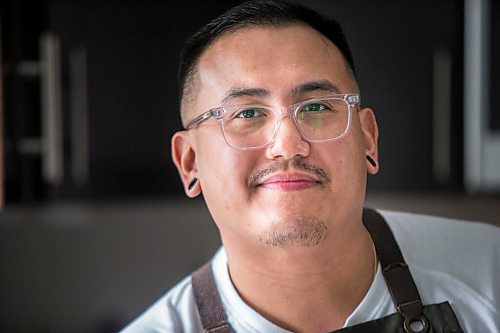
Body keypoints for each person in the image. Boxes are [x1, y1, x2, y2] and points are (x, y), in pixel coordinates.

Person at [122, 1, 500, 332]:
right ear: (190, 163)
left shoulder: (490, 275)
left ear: (368, 137)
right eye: (248, 112)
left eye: (317, 107)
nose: (288, 144)